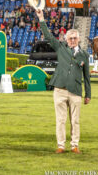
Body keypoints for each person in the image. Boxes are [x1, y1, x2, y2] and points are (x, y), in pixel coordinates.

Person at [36, 8, 91, 154]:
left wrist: (88, 94)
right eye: (70, 38)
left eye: (75, 38)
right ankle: (61, 145)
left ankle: (74, 145)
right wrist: (41, 18)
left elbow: (87, 77)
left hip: (76, 91)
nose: (72, 40)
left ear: (79, 39)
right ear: (66, 39)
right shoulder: (60, 48)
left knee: (75, 121)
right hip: (59, 89)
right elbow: (48, 36)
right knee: (60, 120)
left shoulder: (84, 55)